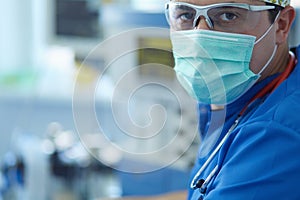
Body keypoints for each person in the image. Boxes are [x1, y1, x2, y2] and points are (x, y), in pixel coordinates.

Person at [110, 0, 299, 199]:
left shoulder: (280, 138)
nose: (199, 36)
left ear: (281, 24)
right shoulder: (244, 97)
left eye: (228, 15)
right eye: (185, 15)